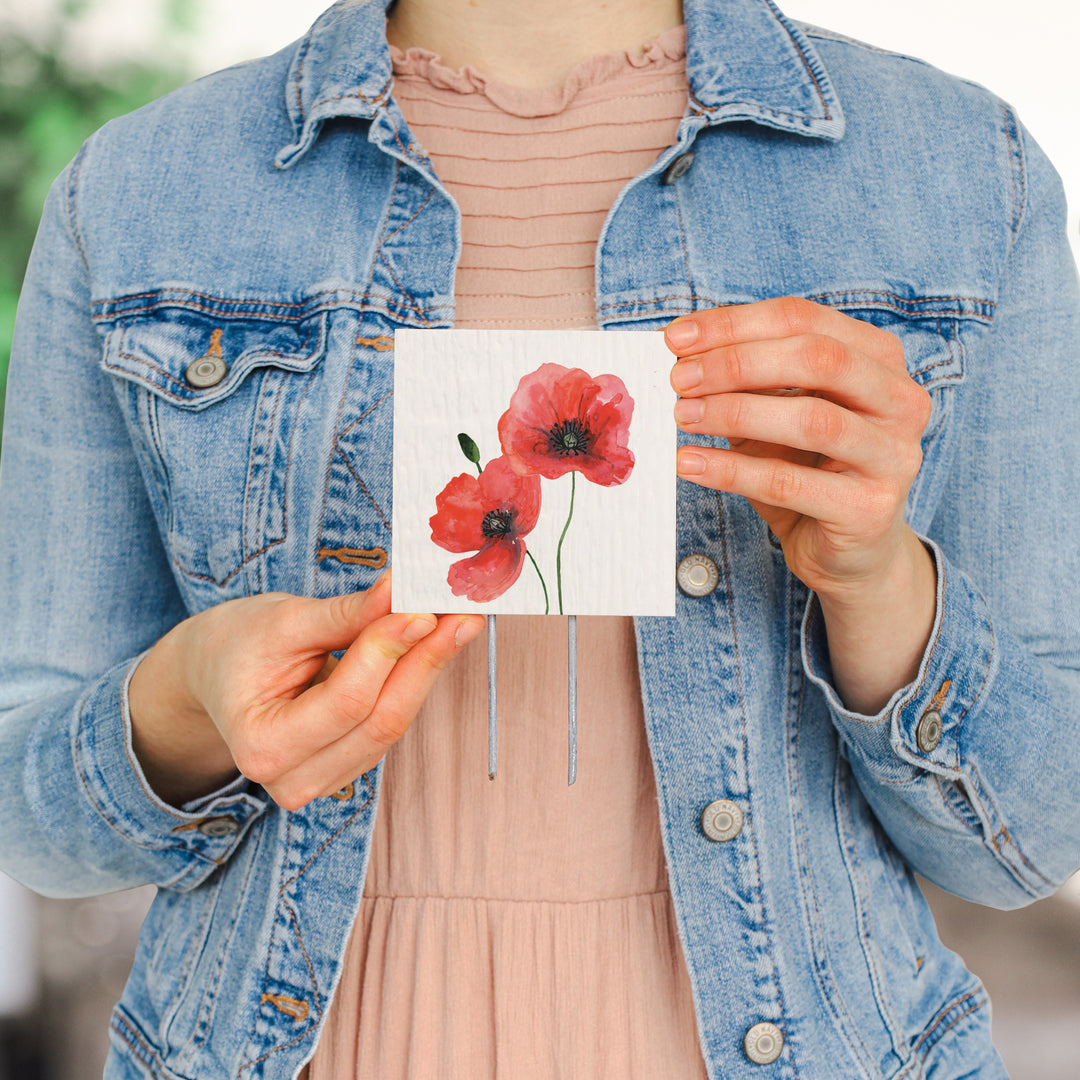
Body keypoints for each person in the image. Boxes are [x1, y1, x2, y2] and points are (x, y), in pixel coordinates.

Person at [1, 0, 1078, 1076]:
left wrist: (881, 587)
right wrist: (189, 705)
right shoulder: (139, 194)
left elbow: (1035, 837)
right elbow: (29, 812)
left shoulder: (968, 178)